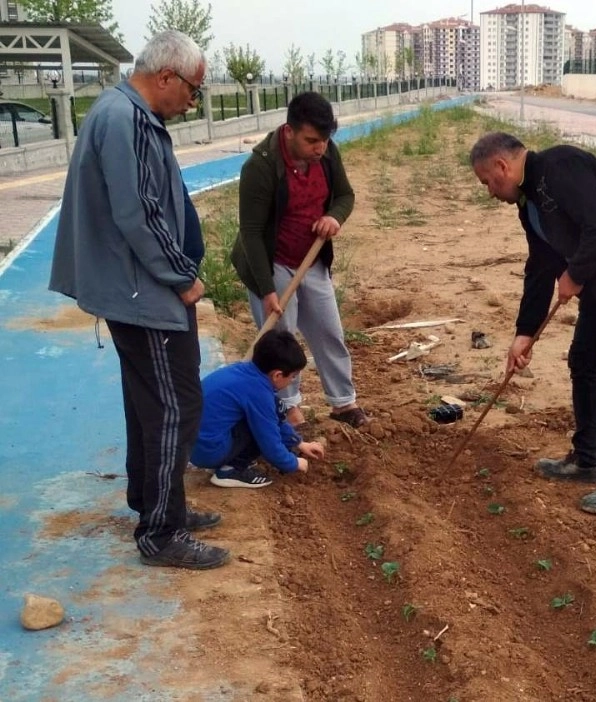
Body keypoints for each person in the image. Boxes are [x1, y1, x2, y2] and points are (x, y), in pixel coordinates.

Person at [49, 31, 229, 569]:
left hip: (134, 286)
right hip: (143, 290)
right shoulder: (126, 119)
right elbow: (140, 212)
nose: (192, 102)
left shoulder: (121, 112)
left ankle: (154, 500)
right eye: (193, 90)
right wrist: (181, 277)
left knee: (148, 403)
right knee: (176, 404)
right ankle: (162, 532)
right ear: (167, 76)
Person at [469, 132, 596, 515]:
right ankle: (586, 461)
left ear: (502, 166)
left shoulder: (562, 165)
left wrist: (575, 275)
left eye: (487, 182)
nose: (489, 191)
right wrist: (523, 335)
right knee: (583, 361)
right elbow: (540, 268)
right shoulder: (528, 205)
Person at [232, 91, 368, 429]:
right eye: (311, 140)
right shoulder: (260, 166)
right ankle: (288, 408)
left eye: (324, 140)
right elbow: (250, 232)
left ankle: (342, 402)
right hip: (272, 260)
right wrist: (267, 290)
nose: (319, 148)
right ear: (289, 131)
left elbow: (345, 196)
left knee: (328, 330)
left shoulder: (327, 153)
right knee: (281, 338)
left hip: (312, 258)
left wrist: (334, 216)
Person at [191, 330, 325, 488]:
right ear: (278, 375)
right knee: (261, 426)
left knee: (270, 410)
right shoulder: (258, 393)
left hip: (192, 444)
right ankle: (232, 470)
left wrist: (299, 443)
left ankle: (230, 458)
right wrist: (293, 463)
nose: (292, 380)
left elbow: (275, 416)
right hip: (207, 451)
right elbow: (270, 442)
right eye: (293, 376)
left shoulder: (245, 371)